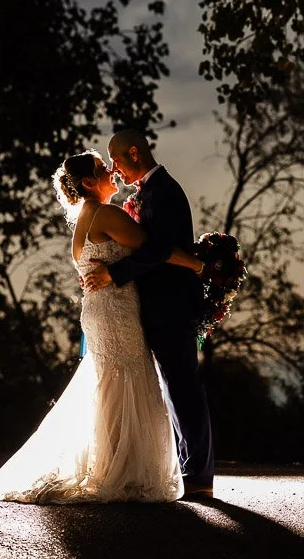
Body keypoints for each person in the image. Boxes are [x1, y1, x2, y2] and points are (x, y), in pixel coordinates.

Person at [0, 149, 204, 504]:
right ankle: (122, 472)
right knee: (128, 377)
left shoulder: (84, 219)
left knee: (111, 381)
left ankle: (113, 466)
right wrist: (196, 265)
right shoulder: (106, 214)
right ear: (90, 182)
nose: (111, 171)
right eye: (102, 168)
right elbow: (156, 250)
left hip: (99, 311)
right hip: (116, 312)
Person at [81, 129, 216, 500]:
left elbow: (158, 250)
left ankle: (200, 475)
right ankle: (190, 470)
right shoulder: (144, 195)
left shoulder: (165, 191)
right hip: (151, 307)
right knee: (170, 390)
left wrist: (114, 273)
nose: (114, 168)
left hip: (172, 305)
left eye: (117, 159)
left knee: (183, 387)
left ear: (135, 153)